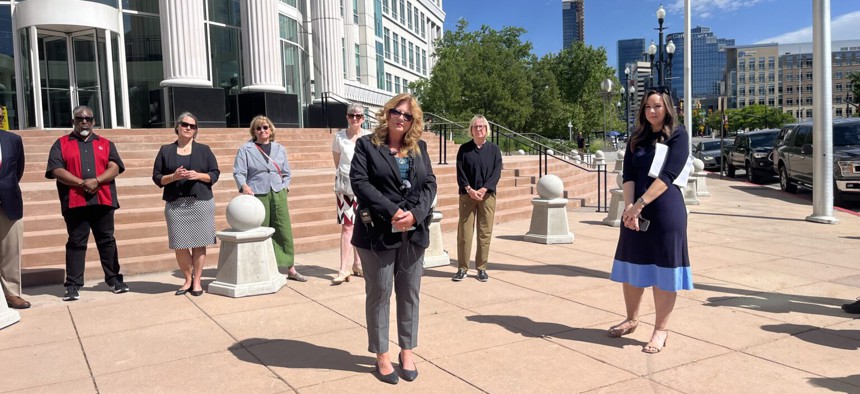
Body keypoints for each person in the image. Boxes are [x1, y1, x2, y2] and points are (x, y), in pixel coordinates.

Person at [351, 93, 436, 384]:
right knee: (380, 293)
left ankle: (407, 351)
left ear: (414, 121)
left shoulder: (419, 148)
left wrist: (415, 214)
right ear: (387, 114)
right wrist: (393, 211)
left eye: (408, 115)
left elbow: (429, 184)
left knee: (410, 293)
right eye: (397, 112)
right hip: (377, 233)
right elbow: (360, 183)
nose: (401, 118)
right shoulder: (366, 145)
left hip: (413, 233)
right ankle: (382, 355)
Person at [607, 89, 692, 354]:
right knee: (632, 267)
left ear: (667, 108)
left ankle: (660, 331)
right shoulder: (637, 138)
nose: (652, 111)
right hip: (635, 210)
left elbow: (668, 175)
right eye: (647, 107)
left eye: (657, 106)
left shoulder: (678, 134)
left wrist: (640, 204)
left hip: (665, 210)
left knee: (663, 272)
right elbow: (629, 174)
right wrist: (630, 208)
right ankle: (632, 319)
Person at [46, 105, 129, 301]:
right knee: (76, 243)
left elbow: (115, 166)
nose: (84, 122)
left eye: (88, 119)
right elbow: (56, 170)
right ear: (73, 121)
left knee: (107, 241)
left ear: (93, 121)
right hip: (75, 202)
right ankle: (73, 285)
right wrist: (81, 183)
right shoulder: (61, 143)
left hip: (103, 200)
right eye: (80, 118)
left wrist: (97, 181)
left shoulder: (106, 143)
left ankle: (115, 280)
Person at [152, 112, 220, 296]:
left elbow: (215, 173)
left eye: (193, 126)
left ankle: (197, 281)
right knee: (180, 244)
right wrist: (173, 177)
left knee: (199, 243)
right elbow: (157, 177)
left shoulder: (204, 150)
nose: (188, 128)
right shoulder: (165, 150)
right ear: (177, 126)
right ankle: (187, 279)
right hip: (175, 203)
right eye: (185, 124)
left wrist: (198, 175)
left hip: (201, 202)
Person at [233, 115, 306, 282]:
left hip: (278, 191)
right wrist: (244, 186)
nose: (262, 130)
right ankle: (261, 268)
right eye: (258, 128)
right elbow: (239, 172)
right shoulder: (246, 149)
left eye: (265, 127)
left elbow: (287, 172)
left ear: (271, 130)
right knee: (261, 230)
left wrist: (285, 185)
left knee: (283, 229)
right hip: (257, 193)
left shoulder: (279, 148)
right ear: (254, 131)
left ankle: (290, 268)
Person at [453, 115, 502, 282]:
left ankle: (481, 268)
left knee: (484, 233)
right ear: (471, 129)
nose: (478, 129)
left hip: (487, 196)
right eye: (475, 126)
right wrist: (469, 189)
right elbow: (460, 171)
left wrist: (483, 188)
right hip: (467, 196)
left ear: (486, 129)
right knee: (465, 233)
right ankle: (462, 268)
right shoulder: (464, 149)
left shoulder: (494, 150)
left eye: (481, 126)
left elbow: (496, 173)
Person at [330, 103, 371, 285]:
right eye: (351, 115)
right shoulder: (339, 137)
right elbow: (337, 163)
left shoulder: (370, 137)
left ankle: (358, 264)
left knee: (364, 223)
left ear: (363, 118)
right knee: (348, 227)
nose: (355, 119)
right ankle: (343, 268)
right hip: (346, 187)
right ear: (347, 117)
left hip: (366, 187)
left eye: (358, 116)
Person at [0, 126, 28, 309]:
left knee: (11, 250)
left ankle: (11, 293)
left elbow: (18, 170)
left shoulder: (14, 140)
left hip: (8, 202)